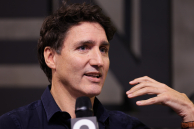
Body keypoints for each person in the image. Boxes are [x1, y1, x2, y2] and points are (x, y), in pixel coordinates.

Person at [0, 2, 194, 129]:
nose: (98, 61)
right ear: (51, 57)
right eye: (83, 47)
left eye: (103, 49)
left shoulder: (127, 127)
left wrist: (190, 116)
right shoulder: (14, 125)